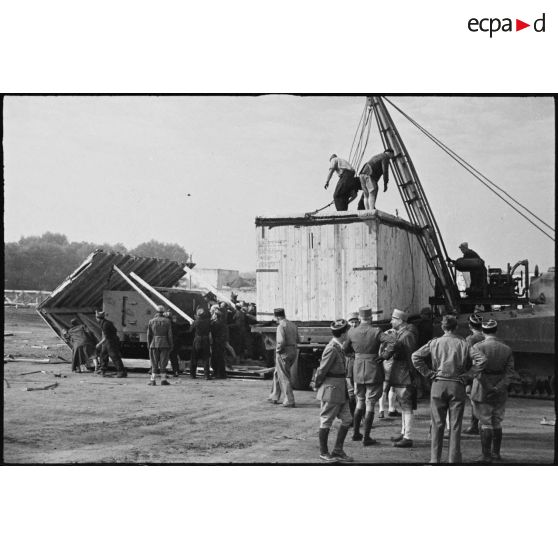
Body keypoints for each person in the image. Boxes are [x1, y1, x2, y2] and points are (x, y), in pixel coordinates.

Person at [412, 314, 486, 464]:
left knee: (437, 424)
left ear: (442, 327)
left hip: (438, 384)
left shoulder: (434, 343)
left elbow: (415, 357)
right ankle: (453, 460)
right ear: (456, 327)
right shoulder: (463, 344)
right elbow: (482, 359)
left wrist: (428, 373)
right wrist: (468, 375)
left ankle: (434, 459)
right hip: (457, 385)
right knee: (455, 425)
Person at [470, 319, 517, 463]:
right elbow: (510, 373)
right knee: (497, 421)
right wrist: (498, 387)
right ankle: (496, 454)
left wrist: (488, 386)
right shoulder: (506, 349)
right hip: (500, 389)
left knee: (485, 422)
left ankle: (486, 455)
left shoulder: (477, 347)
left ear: (483, 331)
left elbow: (477, 371)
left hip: (482, 389)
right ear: (496, 331)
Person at [344, 306, 389, 446]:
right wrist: (385, 355)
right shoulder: (376, 331)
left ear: (360, 318)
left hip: (358, 370)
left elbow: (345, 349)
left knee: (360, 401)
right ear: (370, 318)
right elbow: (394, 341)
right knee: (370, 404)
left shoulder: (351, 332)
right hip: (373, 369)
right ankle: (366, 437)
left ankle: (356, 433)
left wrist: (356, 356)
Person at [312, 319, 354, 462]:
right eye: (347, 330)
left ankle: (338, 450)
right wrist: (317, 384)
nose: (348, 332)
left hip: (340, 389)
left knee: (347, 419)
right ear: (343, 333)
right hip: (331, 389)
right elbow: (322, 369)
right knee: (326, 421)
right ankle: (324, 452)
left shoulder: (338, 346)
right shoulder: (332, 348)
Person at [381, 309, 418, 448]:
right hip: (400, 374)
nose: (391, 321)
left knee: (406, 406)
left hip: (404, 375)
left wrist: (411, 375)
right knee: (403, 405)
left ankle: (408, 437)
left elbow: (410, 356)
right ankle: (404, 433)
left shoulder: (407, 335)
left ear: (400, 321)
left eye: (393, 319)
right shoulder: (402, 334)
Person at [267, 308, 299, 407]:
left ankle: (289, 400)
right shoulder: (293, 325)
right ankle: (274, 396)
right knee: (278, 372)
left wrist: (277, 351)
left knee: (284, 376)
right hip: (293, 350)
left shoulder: (281, 326)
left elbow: (280, 342)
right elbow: (299, 339)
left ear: (277, 316)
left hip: (284, 352)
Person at [463, 313, 484, 435]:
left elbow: (466, 358)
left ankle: (474, 425)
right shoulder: (486, 337)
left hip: (474, 373)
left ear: (470, 326)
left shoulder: (470, 339)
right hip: (485, 372)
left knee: (473, 400)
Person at [147, 305, 173, 386]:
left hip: (154, 344)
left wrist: (149, 344)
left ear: (156, 312)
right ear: (163, 312)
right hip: (164, 343)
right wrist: (171, 344)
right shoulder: (167, 321)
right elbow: (170, 335)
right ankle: (163, 380)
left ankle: (152, 380)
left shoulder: (151, 321)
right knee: (163, 362)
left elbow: (149, 335)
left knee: (154, 362)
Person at [95, 310, 126, 378]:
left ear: (98, 318)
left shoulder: (106, 324)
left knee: (114, 356)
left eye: (96, 317)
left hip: (111, 342)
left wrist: (99, 344)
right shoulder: (103, 322)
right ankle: (103, 370)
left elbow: (106, 336)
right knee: (103, 355)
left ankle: (122, 372)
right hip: (108, 341)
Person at [344, 311, 360, 417]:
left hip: (358, 364)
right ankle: (353, 417)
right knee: (351, 393)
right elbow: (344, 349)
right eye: (351, 322)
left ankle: (361, 417)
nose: (353, 324)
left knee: (359, 393)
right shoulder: (347, 334)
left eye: (355, 322)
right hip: (350, 364)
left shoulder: (360, 333)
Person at [190, 307, 212, 380]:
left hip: (197, 340)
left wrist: (191, 324)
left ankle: (193, 374)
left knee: (194, 357)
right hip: (205, 340)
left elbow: (190, 331)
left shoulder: (196, 322)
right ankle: (206, 375)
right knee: (206, 358)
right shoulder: (208, 322)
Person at [210, 307, 227, 379]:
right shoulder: (222, 323)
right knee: (221, 358)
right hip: (221, 342)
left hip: (216, 343)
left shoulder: (214, 323)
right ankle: (221, 374)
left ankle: (216, 373)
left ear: (216, 315)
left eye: (214, 314)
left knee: (215, 358)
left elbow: (212, 332)